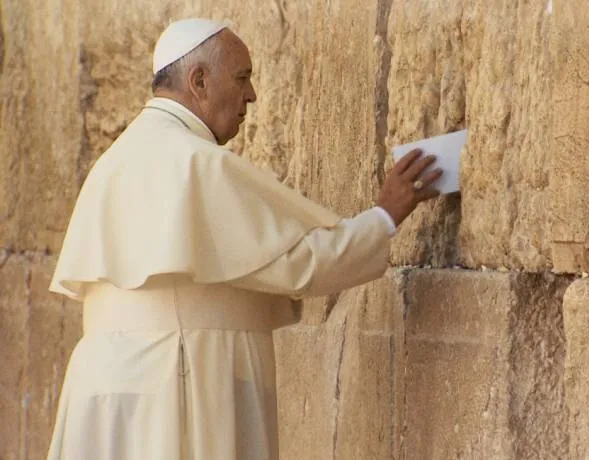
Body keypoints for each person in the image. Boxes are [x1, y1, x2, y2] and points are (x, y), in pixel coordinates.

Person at [46, 18, 442, 460]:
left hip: (102, 393)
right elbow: (301, 262)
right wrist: (385, 216)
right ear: (199, 81)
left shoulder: (112, 162)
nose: (251, 95)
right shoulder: (195, 162)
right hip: (177, 381)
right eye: (242, 78)